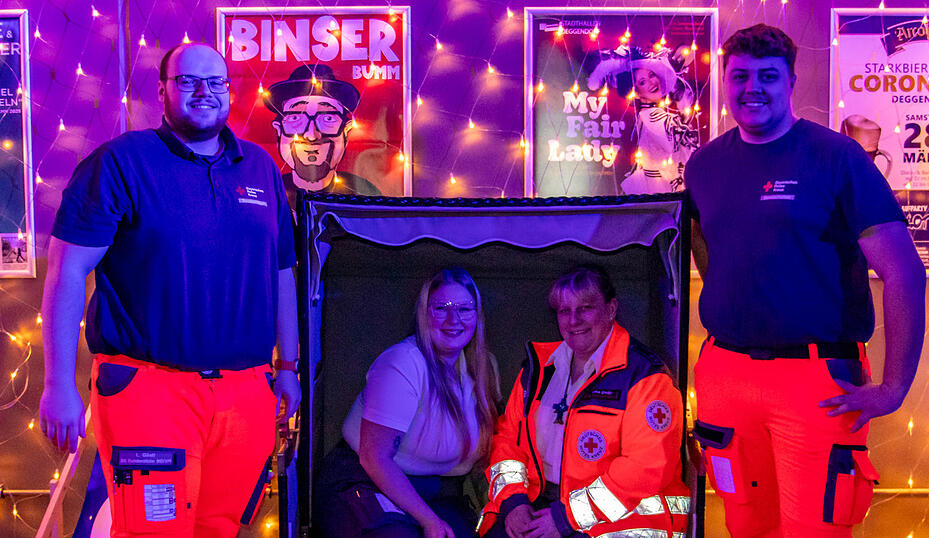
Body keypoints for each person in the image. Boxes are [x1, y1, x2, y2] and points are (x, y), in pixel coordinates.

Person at [38, 43, 301, 537]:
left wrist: (288, 367)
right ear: (162, 90)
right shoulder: (120, 163)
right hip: (149, 390)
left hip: (246, 392)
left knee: (218, 529)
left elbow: (282, 273)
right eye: (187, 81)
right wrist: (57, 385)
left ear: (229, 91)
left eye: (216, 82)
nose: (204, 92)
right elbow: (66, 273)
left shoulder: (261, 169)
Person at [684, 24, 926, 537]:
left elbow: (903, 270)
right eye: (740, 76)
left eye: (768, 76)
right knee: (745, 524)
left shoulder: (838, 158)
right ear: (724, 82)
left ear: (791, 81)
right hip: (725, 376)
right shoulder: (703, 165)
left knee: (814, 530)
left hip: (817, 382)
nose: (753, 87)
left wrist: (895, 387)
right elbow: (708, 244)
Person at [480, 266, 689, 538]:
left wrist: (566, 518)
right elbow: (508, 441)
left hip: (618, 522)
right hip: (539, 506)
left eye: (586, 308)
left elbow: (645, 467)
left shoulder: (645, 376)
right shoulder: (538, 369)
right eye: (564, 311)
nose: (574, 320)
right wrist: (514, 503)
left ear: (611, 309)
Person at [315, 267, 500, 538]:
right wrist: (430, 522)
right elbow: (374, 457)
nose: (453, 319)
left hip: (435, 492)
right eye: (442, 308)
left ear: (477, 315)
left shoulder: (483, 368)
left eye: (464, 309)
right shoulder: (404, 363)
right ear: (425, 315)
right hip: (366, 480)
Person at [587, 46, 699, 195]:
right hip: (656, 189)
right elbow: (672, 146)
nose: (652, 83)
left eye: (651, 75)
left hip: (664, 185)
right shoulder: (651, 117)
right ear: (637, 92)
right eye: (642, 82)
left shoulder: (656, 115)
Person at [265, 63, 380, 195]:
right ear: (279, 130)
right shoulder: (269, 192)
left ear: (346, 131)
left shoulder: (365, 193)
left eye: (328, 118)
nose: (311, 135)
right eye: (296, 118)